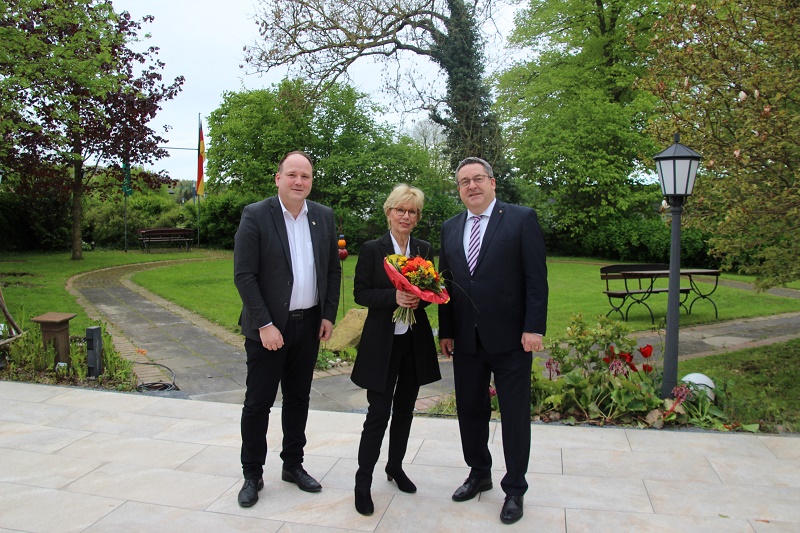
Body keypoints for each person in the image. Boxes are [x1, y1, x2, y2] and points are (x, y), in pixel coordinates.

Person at [438, 157, 548, 525]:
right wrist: (447, 330)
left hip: (511, 340)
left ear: (492, 182)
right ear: (459, 189)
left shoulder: (520, 219)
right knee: (469, 411)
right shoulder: (450, 227)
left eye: (478, 179)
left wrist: (534, 328)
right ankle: (478, 473)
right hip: (466, 341)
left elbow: (536, 279)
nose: (472, 186)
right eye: (464, 181)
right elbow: (447, 283)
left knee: (515, 416)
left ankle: (515, 488)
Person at [233, 150, 341, 508]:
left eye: (305, 176)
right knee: (258, 403)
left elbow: (332, 271)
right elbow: (244, 275)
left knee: (298, 399)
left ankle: (293, 466)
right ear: (278, 178)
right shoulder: (256, 215)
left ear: (311, 181)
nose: (299, 182)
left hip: (308, 325)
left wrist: (327, 315)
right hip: (268, 330)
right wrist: (264, 324)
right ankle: (252, 473)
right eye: (292, 175)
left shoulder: (323, 217)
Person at [349, 184, 441, 516]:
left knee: (405, 410)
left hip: (413, 343)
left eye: (412, 211)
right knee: (378, 414)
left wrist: (422, 297)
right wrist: (394, 297)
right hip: (381, 345)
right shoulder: (373, 249)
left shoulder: (424, 249)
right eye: (400, 210)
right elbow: (361, 293)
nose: (406, 216)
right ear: (389, 212)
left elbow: (432, 290)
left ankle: (395, 467)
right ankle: (362, 482)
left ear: (417, 218)